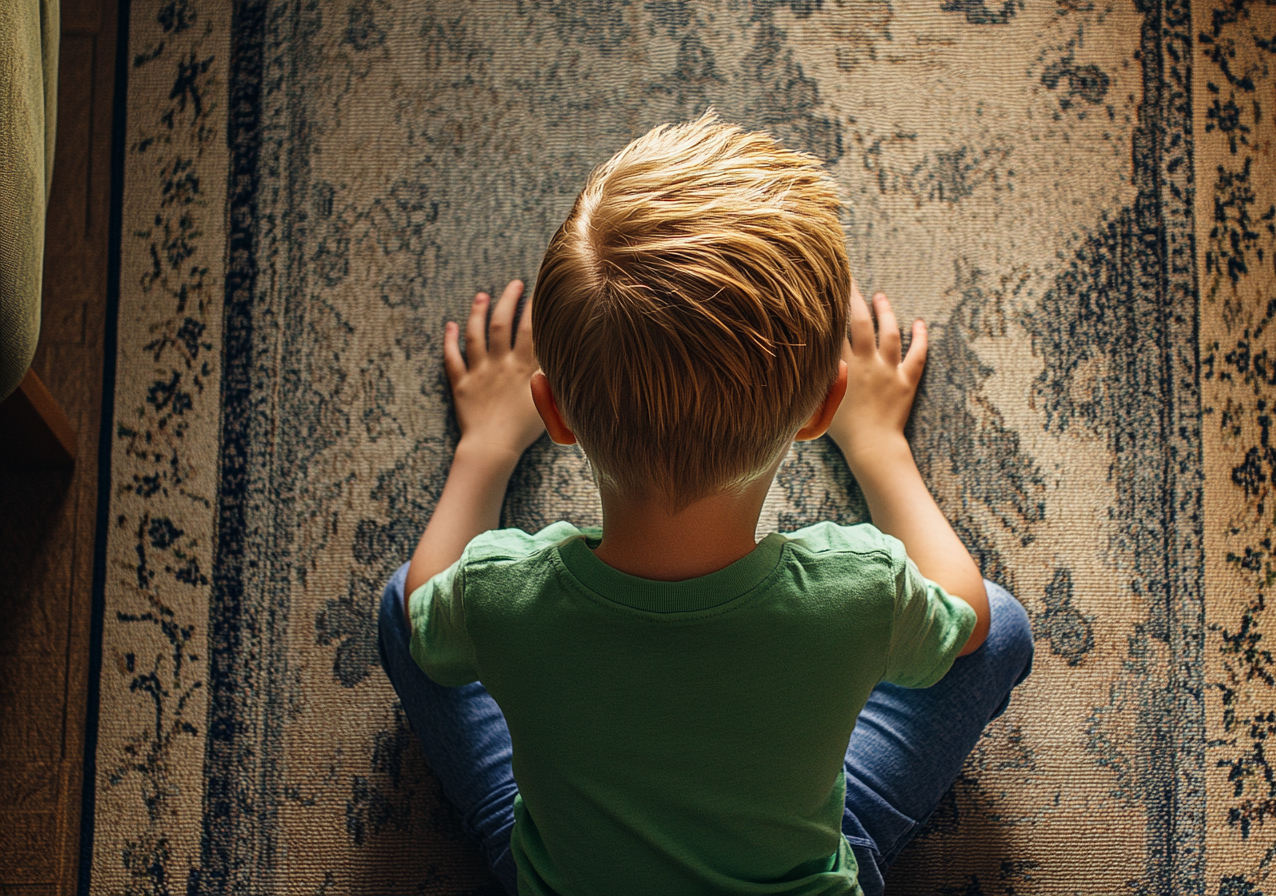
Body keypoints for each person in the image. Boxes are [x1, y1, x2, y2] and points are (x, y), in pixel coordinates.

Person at [377, 112, 1034, 896]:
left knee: (406, 605)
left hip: (571, 877)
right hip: (787, 874)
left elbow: (425, 618)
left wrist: (484, 447)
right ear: (824, 406)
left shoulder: (499, 592)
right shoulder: (860, 586)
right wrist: (879, 447)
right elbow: (971, 621)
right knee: (997, 628)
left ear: (553, 412)